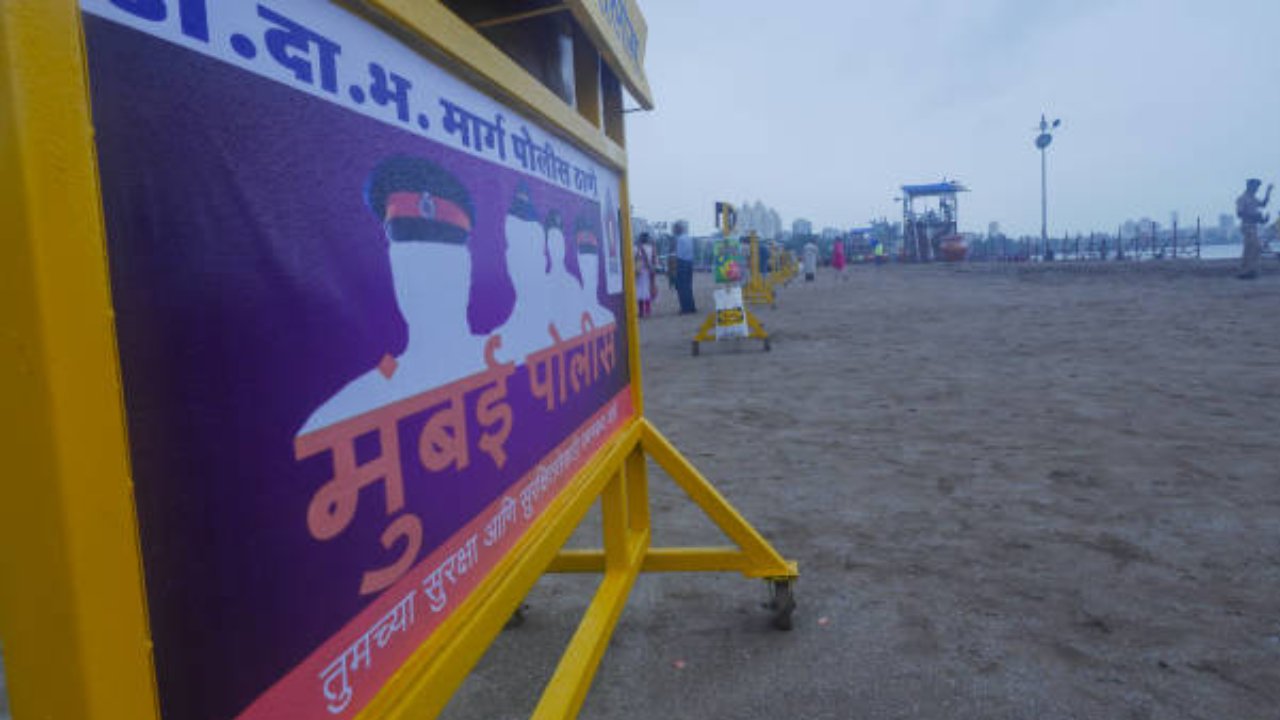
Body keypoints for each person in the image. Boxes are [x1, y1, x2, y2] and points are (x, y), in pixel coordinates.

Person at [1237, 178, 1273, 279]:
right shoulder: (1242, 198)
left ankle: (1244, 272)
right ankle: (1249, 270)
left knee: (1248, 249)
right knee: (1257, 247)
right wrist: (1255, 217)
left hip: (1253, 226)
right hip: (1247, 226)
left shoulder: (1253, 198)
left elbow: (1263, 204)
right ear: (1250, 186)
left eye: (1257, 187)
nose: (1257, 189)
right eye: (1256, 187)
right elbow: (1239, 213)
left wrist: (1268, 192)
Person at [674, 221, 697, 314]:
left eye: (675, 229)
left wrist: (675, 266)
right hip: (690, 263)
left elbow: (679, 255)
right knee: (688, 286)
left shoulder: (680, 239)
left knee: (681, 287)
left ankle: (684, 308)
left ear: (679, 229)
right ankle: (691, 307)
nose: (674, 231)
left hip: (682, 263)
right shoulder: (689, 238)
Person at [635, 232, 657, 318]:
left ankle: (641, 312)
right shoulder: (652, 248)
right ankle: (648, 310)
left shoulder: (636, 248)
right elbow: (655, 260)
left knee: (639, 290)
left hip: (639, 271)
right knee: (648, 290)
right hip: (649, 271)